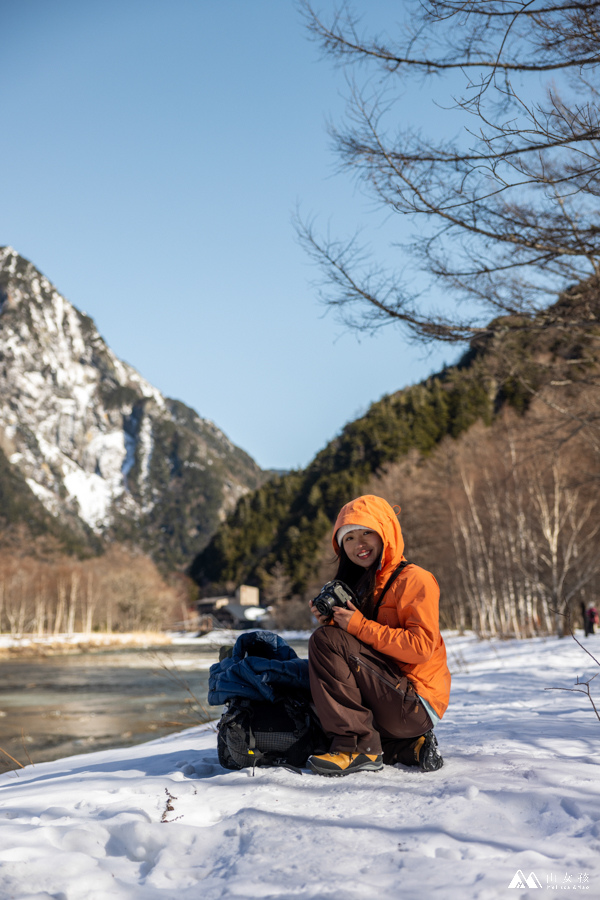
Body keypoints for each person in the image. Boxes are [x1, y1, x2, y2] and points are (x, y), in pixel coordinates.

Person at [307, 494, 451, 777]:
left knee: (324, 642)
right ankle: (406, 747)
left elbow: (421, 648)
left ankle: (357, 749)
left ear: (386, 532)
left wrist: (356, 626)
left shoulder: (415, 579)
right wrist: (335, 623)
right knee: (317, 678)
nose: (358, 544)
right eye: (348, 538)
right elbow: (361, 657)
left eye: (366, 533)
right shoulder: (361, 586)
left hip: (415, 702)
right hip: (392, 699)